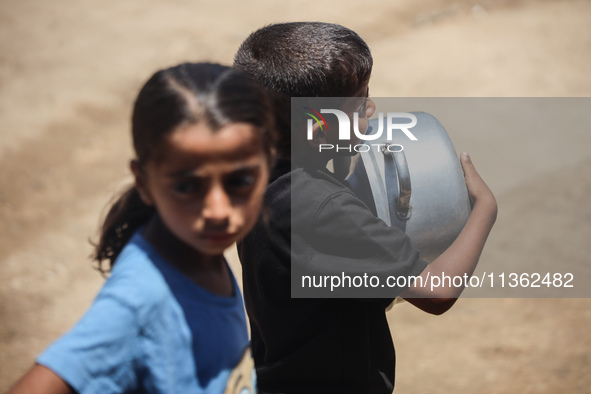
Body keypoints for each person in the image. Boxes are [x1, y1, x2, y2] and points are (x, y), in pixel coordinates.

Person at [234, 22, 497, 393]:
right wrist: (484, 208)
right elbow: (436, 293)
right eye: (358, 103)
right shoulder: (323, 208)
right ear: (317, 126)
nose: (371, 109)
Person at [8, 62, 276, 394]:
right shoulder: (139, 301)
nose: (218, 211)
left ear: (269, 164)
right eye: (188, 187)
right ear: (144, 182)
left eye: (240, 181)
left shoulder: (198, 251)